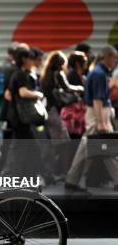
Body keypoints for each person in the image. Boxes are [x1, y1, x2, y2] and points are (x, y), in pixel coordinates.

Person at [65, 45, 118, 193]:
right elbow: (97, 100)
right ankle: (71, 180)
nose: (116, 61)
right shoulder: (99, 74)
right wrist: (102, 123)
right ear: (106, 56)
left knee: (104, 149)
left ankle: (71, 180)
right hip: (98, 115)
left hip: (98, 114)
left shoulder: (98, 72)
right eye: (114, 57)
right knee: (94, 147)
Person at [40, 51, 84, 183]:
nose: (65, 65)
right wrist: (80, 88)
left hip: (48, 111)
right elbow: (67, 88)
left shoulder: (46, 74)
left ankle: (51, 173)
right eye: (64, 63)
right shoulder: (58, 73)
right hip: (54, 112)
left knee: (55, 143)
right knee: (63, 143)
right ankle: (61, 173)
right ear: (60, 64)